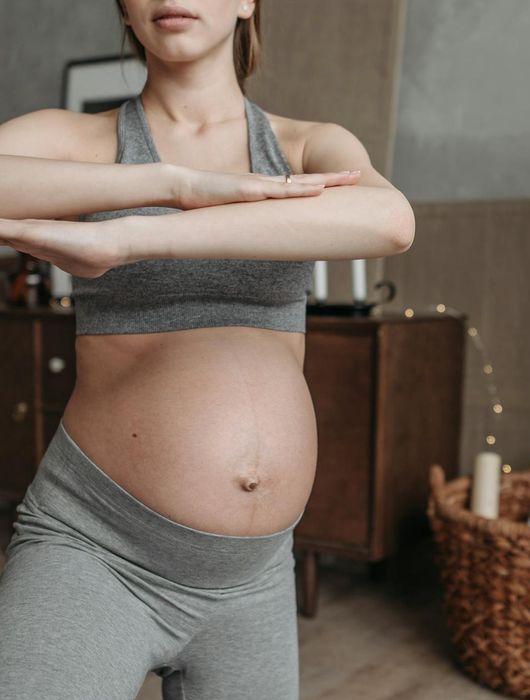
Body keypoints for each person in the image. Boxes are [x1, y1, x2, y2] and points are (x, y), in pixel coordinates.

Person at [0, 1, 415, 698]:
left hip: (254, 579)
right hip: (96, 549)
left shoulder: (309, 145)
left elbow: (389, 218)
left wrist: (135, 237)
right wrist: (173, 185)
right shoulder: (83, 139)